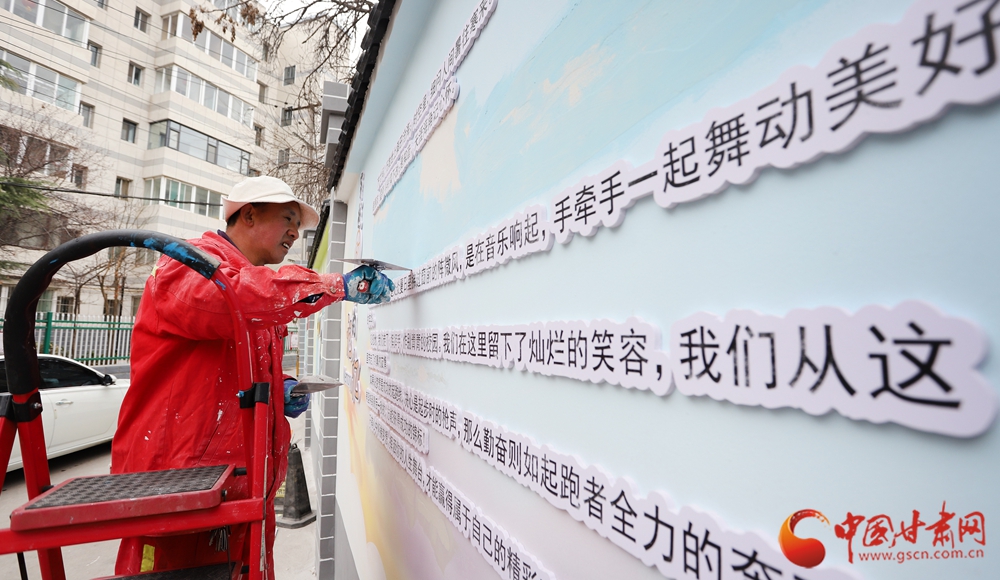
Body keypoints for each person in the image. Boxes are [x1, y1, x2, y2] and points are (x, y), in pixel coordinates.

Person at [110, 176, 392, 576]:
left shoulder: (249, 280)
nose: (295, 232)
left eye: (298, 224)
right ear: (248, 215)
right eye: (288, 219)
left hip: (238, 493)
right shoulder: (186, 263)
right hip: (178, 492)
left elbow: (232, 369)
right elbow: (228, 301)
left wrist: (280, 389)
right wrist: (335, 286)